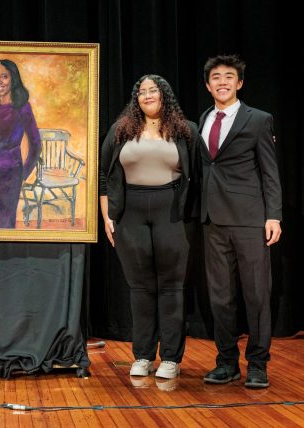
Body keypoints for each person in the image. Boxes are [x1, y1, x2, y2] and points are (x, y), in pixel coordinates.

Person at [99, 75, 200, 380]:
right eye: (141, 91)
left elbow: (199, 175)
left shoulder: (185, 130)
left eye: (152, 90)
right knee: (140, 287)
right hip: (130, 211)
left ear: (164, 95)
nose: (147, 95)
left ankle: (170, 357)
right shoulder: (121, 130)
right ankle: (143, 355)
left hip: (172, 209)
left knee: (171, 287)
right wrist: (107, 217)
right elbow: (104, 176)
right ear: (136, 99)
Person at [199, 54, 282, 389]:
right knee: (220, 297)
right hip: (212, 220)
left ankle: (258, 364)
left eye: (229, 76)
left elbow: (269, 171)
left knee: (257, 295)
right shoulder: (204, 117)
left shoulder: (259, 120)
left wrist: (273, 214)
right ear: (208, 85)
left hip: (249, 219)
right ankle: (226, 361)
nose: (222, 82)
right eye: (216, 77)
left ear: (240, 82)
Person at [0, 59, 41, 228]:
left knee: (6, 226)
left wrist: (23, 173)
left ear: (13, 79)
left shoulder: (22, 107)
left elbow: (36, 144)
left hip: (10, 174)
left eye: (4, 76)